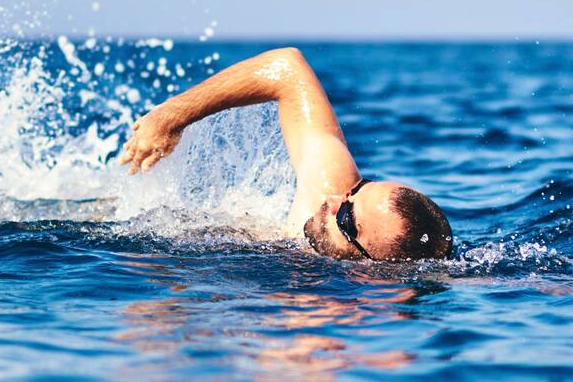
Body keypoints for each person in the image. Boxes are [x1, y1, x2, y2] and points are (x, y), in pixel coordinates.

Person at [119, 47, 452, 261]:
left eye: (348, 220)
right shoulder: (333, 192)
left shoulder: (323, 313)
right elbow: (287, 67)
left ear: (367, 266)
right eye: (359, 189)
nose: (336, 199)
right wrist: (173, 115)